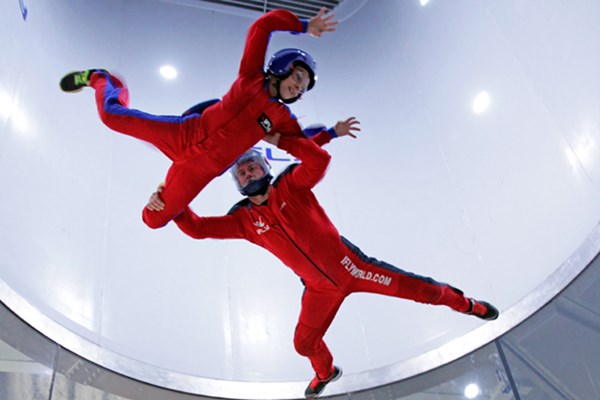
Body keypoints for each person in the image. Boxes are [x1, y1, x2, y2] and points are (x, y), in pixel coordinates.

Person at [145, 121, 500, 399]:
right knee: (303, 344)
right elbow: (197, 229)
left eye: (252, 168)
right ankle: (326, 373)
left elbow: (319, 159)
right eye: (241, 174)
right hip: (318, 289)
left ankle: (467, 304)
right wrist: (171, 202)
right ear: (237, 185)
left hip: (354, 268)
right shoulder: (244, 221)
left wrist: (278, 139)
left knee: (425, 291)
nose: (247, 174)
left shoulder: (291, 186)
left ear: (264, 169)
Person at [59, 7, 338, 229]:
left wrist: (328, 134)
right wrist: (303, 26)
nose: (299, 87)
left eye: (304, 87)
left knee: (153, 220)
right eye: (298, 77)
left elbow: (308, 147)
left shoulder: (282, 118)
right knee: (110, 116)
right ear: (282, 66)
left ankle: (162, 194)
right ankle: (102, 79)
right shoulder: (251, 76)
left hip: (198, 171)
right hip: (183, 133)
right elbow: (262, 26)